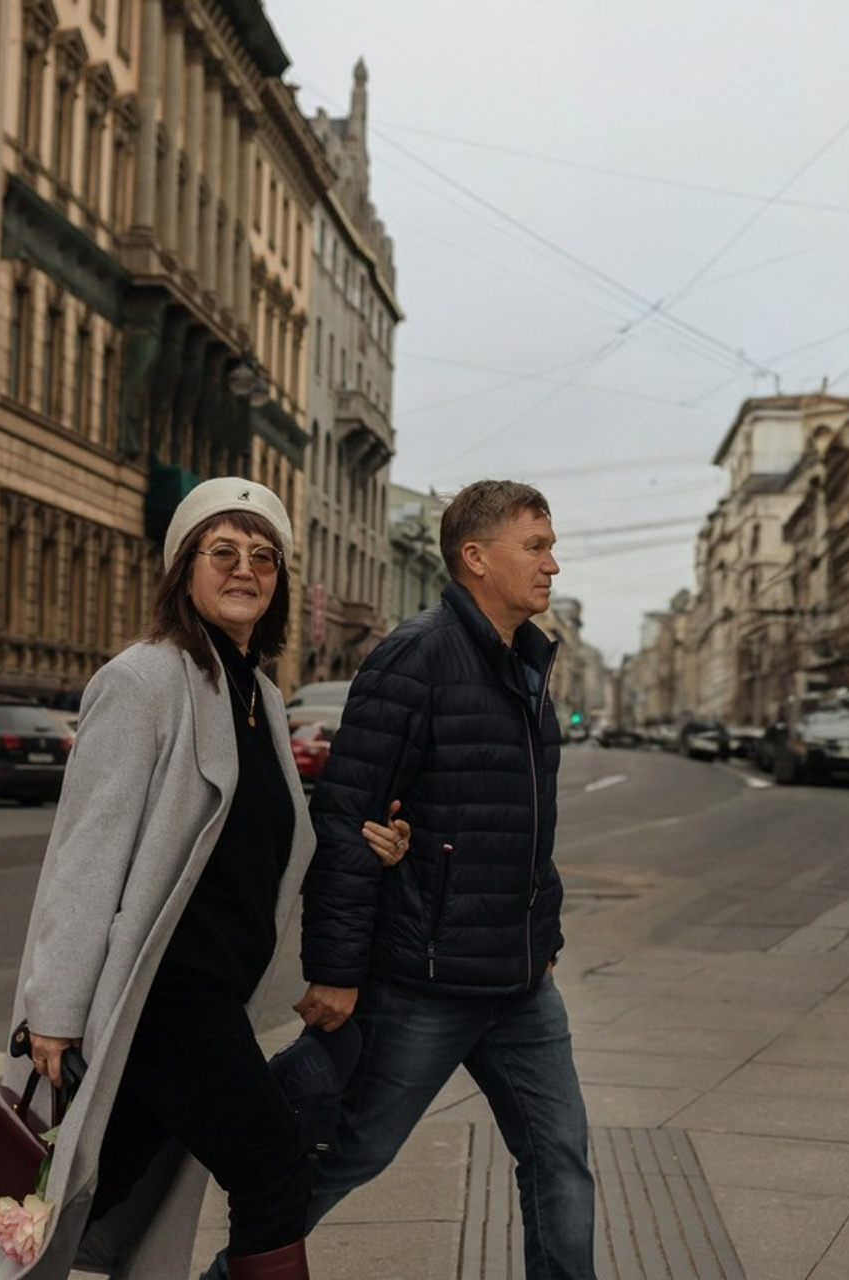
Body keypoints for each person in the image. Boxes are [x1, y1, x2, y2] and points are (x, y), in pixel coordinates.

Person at [0, 477, 408, 1280]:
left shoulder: (255, 692)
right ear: (183, 568)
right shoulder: (143, 680)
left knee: (84, 1188)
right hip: (160, 996)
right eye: (222, 551)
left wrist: (368, 850)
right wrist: (53, 1010)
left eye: (264, 556)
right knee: (270, 1165)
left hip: (212, 993)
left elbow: (262, 842)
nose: (245, 568)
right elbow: (86, 856)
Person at [294, 479, 596, 1279]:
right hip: (427, 979)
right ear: (475, 557)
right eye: (535, 546)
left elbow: (527, 826)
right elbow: (347, 815)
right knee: (348, 1156)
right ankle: (240, 1271)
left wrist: (546, 932)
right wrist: (333, 968)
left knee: (560, 1158)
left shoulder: (525, 663)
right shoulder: (418, 654)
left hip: (521, 980)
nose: (553, 564)